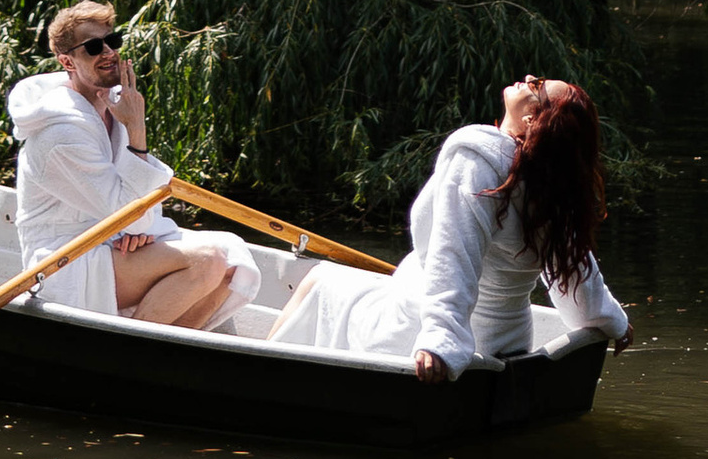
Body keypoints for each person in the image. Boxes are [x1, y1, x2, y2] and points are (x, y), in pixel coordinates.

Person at [269, 73, 632, 374]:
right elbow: (575, 271)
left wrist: (442, 342)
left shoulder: (477, 158)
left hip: (421, 330)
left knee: (320, 280)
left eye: (535, 85)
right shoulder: (553, 187)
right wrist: (610, 321)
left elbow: (454, 252)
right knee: (346, 284)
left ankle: (263, 374)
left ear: (532, 119)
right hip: (509, 340)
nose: (526, 79)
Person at [6, 2, 259, 328]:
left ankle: (164, 352)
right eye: (94, 47)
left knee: (234, 257)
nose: (109, 52)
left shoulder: (113, 107)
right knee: (207, 261)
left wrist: (135, 228)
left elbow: (143, 206)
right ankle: (125, 352)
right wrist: (137, 131)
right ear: (67, 61)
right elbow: (134, 210)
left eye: (114, 40)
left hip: (110, 242)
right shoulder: (60, 134)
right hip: (65, 263)